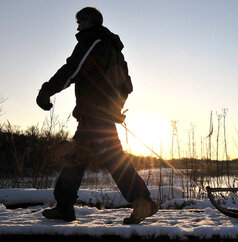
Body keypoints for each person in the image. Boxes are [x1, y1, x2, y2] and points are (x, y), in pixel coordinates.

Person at [36, 7, 157, 224]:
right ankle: (141, 203)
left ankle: (65, 207)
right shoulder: (115, 50)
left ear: (91, 21)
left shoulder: (92, 41)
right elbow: (126, 86)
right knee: (95, 159)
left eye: (80, 21)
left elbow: (72, 70)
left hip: (93, 116)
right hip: (101, 116)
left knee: (81, 159)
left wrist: (46, 91)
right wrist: (114, 108)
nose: (78, 25)